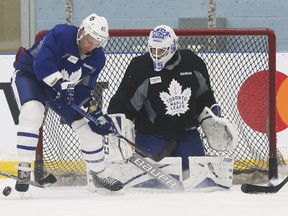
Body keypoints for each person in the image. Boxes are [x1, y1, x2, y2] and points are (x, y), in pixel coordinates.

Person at [11, 13, 124, 193]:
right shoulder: (61, 34)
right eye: (89, 40)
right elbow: (41, 63)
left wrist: (95, 113)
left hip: (61, 89)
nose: (91, 47)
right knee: (33, 111)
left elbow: (84, 91)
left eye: (97, 43)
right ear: (81, 32)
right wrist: (59, 83)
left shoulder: (97, 58)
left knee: (87, 129)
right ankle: (24, 168)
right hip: (31, 76)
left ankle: (100, 174)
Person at [107, 25, 232, 175]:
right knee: (151, 183)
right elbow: (121, 105)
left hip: (187, 135)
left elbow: (204, 97)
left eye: (161, 50)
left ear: (172, 47)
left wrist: (212, 116)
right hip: (151, 135)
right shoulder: (140, 67)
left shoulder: (192, 63)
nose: (157, 54)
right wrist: (120, 131)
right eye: (153, 49)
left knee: (199, 178)